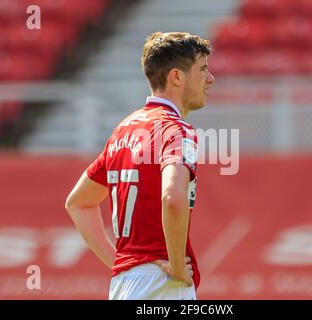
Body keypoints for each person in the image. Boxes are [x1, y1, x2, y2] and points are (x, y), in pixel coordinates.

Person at [65, 31, 215, 300]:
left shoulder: (123, 130)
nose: (211, 78)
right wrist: (178, 268)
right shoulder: (175, 129)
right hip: (162, 283)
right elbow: (172, 198)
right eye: (203, 69)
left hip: (124, 285)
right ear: (176, 76)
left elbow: (78, 203)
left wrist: (122, 264)